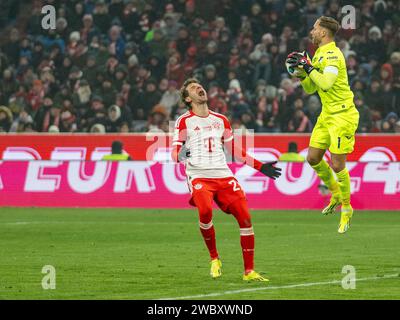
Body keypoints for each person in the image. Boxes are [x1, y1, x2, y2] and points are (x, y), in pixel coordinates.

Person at [171, 78, 281, 282]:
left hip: (223, 175)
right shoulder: (184, 121)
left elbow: (235, 151)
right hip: (199, 175)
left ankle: (249, 271)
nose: (199, 88)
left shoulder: (221, 119)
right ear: (188, 98)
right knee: (204, 211)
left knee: (245, 218)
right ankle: (214, 258)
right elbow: (174, 153)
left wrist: (261, 166)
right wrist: (181, 153)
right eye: (194, 88)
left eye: (200, 86)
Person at [286, 16, 359, 233]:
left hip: (343, 115)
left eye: (315, 28)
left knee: (337, 164)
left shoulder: (333, 55)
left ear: (324, 32)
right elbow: (311, 89)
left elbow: (326, 84)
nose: (312, 31)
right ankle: (335, 193)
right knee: (313, 158)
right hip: (327, 114)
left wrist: (308, 68)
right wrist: (300, 73)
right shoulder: (318, 53)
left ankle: (347, 208)